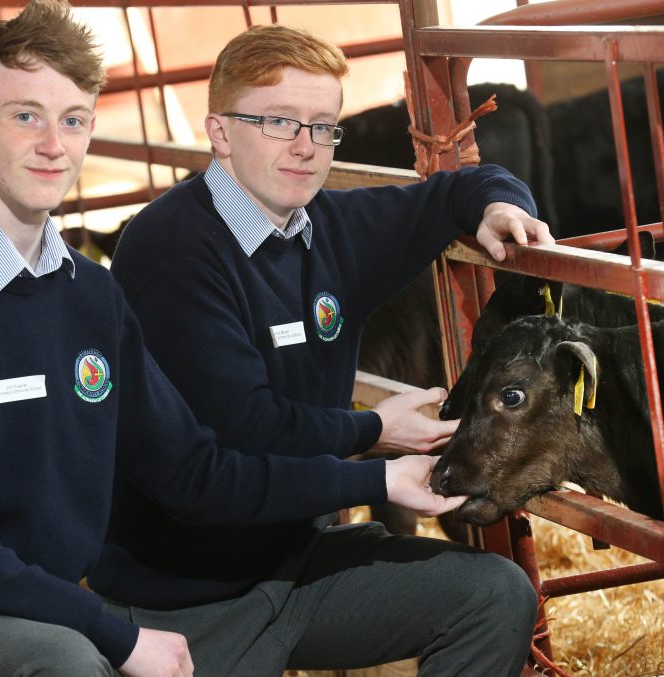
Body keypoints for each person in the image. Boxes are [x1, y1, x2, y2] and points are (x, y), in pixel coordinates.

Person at [0, 4, 463, 676]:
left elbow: (193, 472)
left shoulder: (90, 295)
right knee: (70, 663)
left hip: (52, 613)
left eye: (72, 119)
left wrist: (378, 472)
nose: (53, 144)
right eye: (26, 116)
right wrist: (117, 634)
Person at [98, 23, 554, 677]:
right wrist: (374, 440)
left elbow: (455, 191)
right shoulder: (169, 250)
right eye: (280, 122)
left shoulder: (327, 227)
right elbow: (240, 436)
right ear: (221, 132)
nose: (306, 147)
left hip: (304, 566)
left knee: (494, 595)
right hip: (186, 602)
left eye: (323, 126)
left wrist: (497, 205)